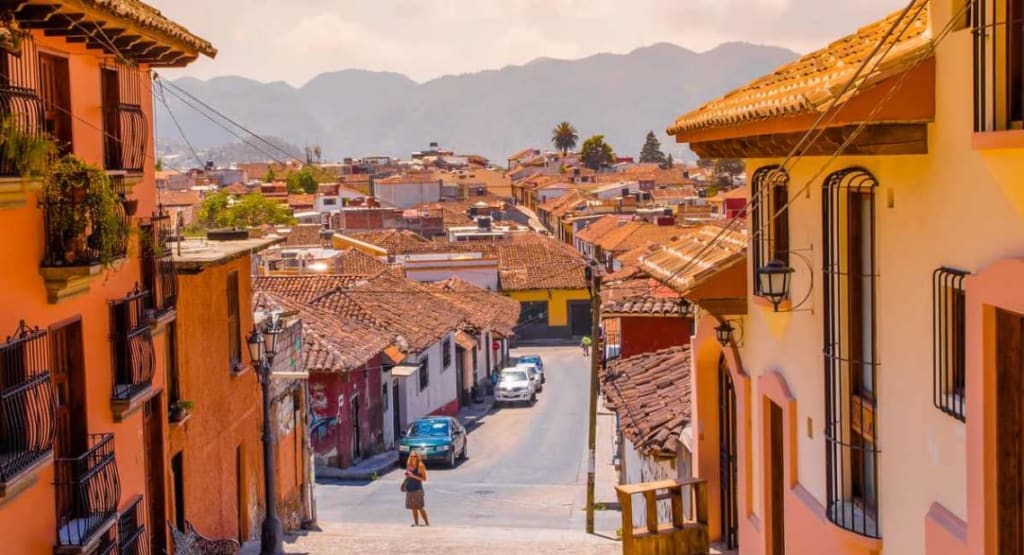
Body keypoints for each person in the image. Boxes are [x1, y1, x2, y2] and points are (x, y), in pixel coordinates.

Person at [403, 451, 429, 526]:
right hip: (410, 488)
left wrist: (413, 476)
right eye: (411, 456)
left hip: (418, 489)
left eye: (414, 456)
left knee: (420, 507)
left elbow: (424, 479)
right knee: (413, 508)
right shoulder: (408, 464)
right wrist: (407, 475)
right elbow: (408, 476)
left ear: (417, 457)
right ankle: (416, 524)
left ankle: (427, 523)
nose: (412, 458)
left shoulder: (420, 465)